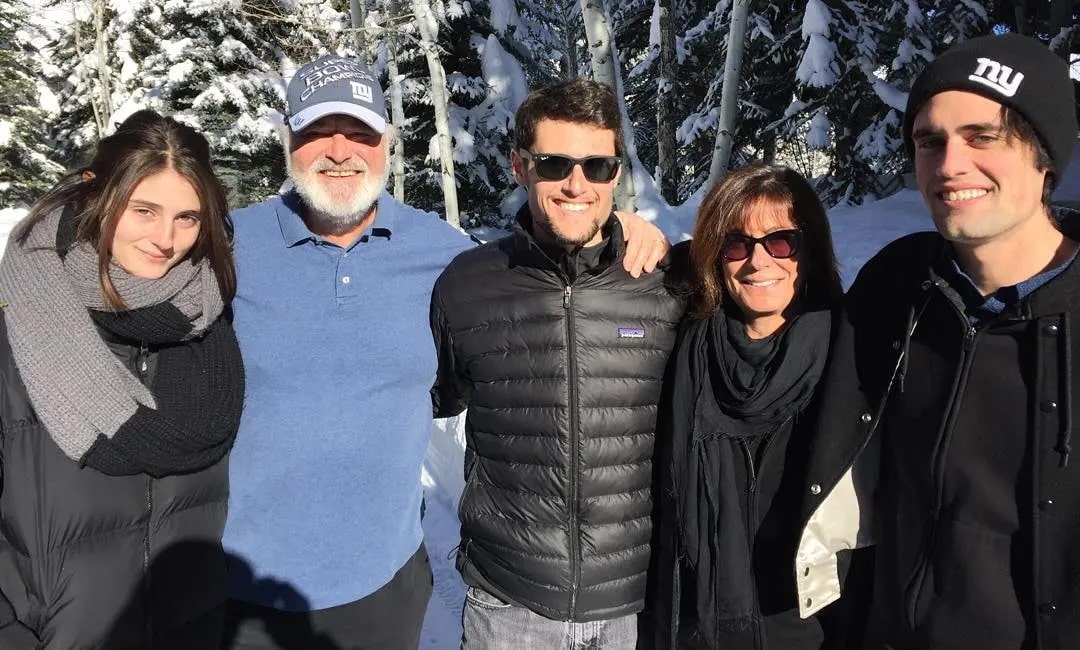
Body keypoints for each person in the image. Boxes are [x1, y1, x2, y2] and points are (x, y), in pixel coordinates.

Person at [223, 58, 670, 650]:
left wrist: (625, 229)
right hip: (239, 585)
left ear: (386, 143)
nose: (340, 151)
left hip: (388, 587)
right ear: (287, 140)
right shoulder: (226, 246)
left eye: (359, 133)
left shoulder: (441, 254)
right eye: (317, 132)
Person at [800, 32, 1080, 649]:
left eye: (983, 137)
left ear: (1045, 157)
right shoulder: (897, 286)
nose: (950, 165)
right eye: (930, 141)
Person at [430, 77, 687, 649]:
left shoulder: (663, 283)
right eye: (554, 164)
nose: (577, 184)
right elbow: (428, 394)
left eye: (597, 166)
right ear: (520, 167)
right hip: (509, 604)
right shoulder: (467, 286)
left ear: (616, 174)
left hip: (632, 608)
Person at [0, 110, 244, 649]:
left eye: (187, 217)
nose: (166, 239)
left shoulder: (213, 321)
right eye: (144, 210)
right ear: (95, 192)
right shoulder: (16, 332)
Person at [653, 164, 860, 650]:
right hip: (696, 627)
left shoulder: (854, 353)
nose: (758, 261)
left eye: (781, 241)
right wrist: (629, 229)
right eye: (736, 244)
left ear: (811, 249)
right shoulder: (681, 338)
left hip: (811, 629)